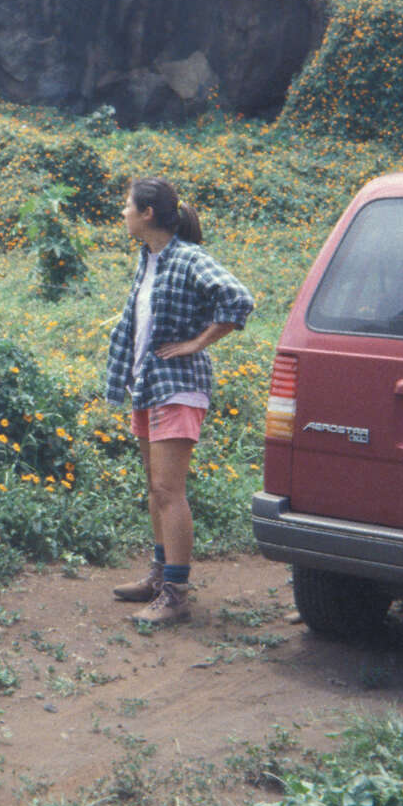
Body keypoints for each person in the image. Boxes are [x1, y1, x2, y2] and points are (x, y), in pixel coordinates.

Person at [104, 177, 254, 624]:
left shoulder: (188, 258)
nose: (123, 213)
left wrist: (197, 342)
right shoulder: (148, 259)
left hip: (178, 386)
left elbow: (238, 298)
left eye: (128, 206)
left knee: (169, 491)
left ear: (148, 213)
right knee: (155, 488)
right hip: (149, 383)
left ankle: (176, 592)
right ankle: (159, 573)